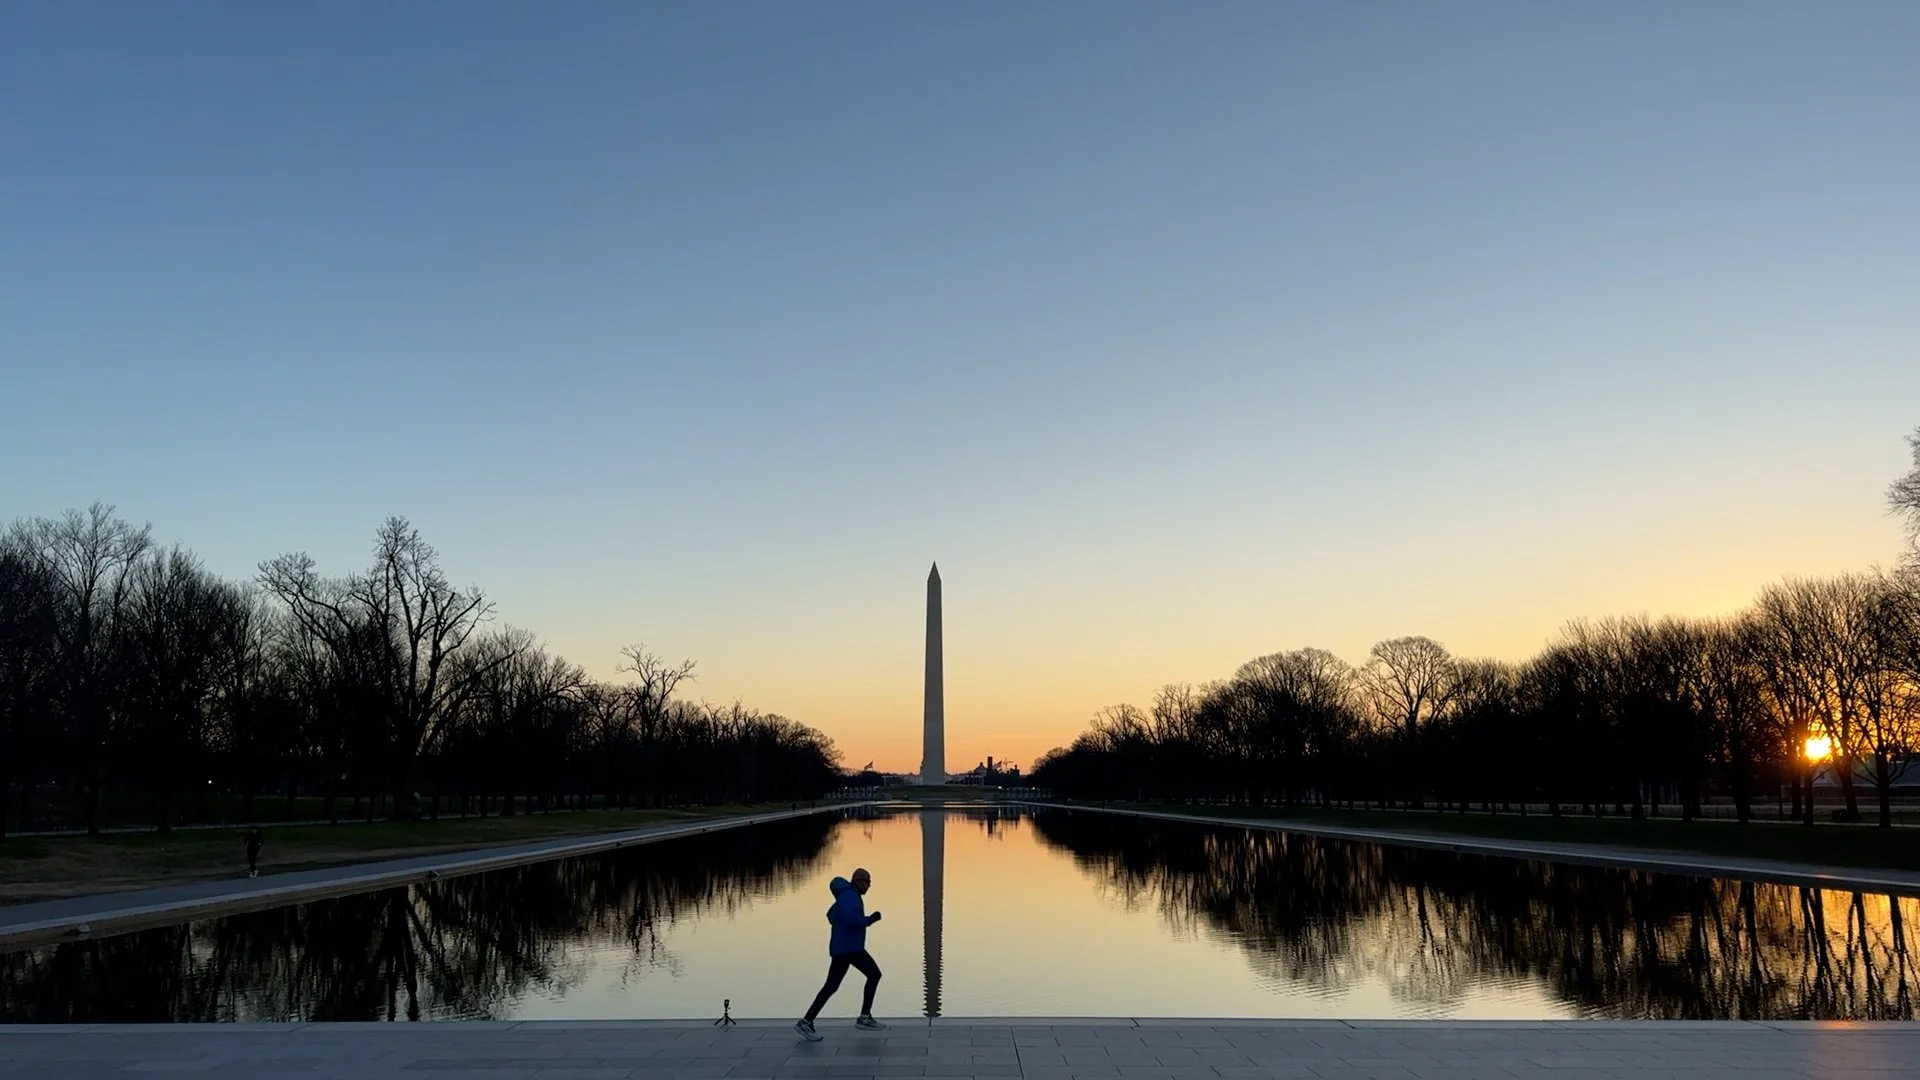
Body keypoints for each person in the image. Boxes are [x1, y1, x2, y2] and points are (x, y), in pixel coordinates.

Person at [794, 867, 884, 1041]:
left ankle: (864, 1016)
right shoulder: (850, 896)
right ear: (858, 881)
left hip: (851, 948)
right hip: (846, 949)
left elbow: (832, 915)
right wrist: (871, 919)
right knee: (832, 986)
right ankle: (806, 1022)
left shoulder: (848, 895)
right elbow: (852, 920)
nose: (869, 886)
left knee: (873, 975)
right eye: (867, 882)